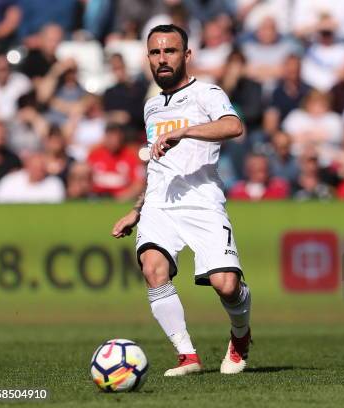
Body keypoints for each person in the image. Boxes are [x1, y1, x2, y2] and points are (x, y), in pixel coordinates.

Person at [110, 25, 251, 377]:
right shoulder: (151, 107)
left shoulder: (207, 93)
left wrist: (184, 130)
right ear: (148, 59)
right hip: (159, 204)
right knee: (152, 268)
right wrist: (137, 209)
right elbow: (159, 166)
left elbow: (234, 126)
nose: (162, 59)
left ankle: (240, 335)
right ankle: (187, 355)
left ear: (186, 55)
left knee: (226, 286)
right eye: (155, 53)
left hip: (202, 200)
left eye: (170, 51)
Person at [0, 152, 65, 203]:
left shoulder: (54, 184)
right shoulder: (9, 181)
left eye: (41, 168)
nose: (38, 171)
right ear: (27, 167)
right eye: (35, 168)